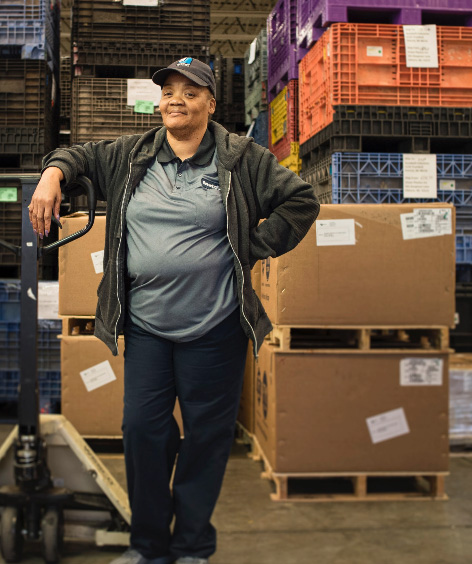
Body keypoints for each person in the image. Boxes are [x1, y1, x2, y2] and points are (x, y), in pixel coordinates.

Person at [29, 57, 320, 564]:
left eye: (190, 92)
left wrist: (251, 246)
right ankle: (148, 546)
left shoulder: (241, 157)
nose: (176, 100)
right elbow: (75, 154)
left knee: (206, 439)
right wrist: (52, 175)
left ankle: (191, 547)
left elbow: (300, 200)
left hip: (215, 327)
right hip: (146, 328)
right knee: (143, 432)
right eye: (168, 91)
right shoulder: (132, 154)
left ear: (211, 103)